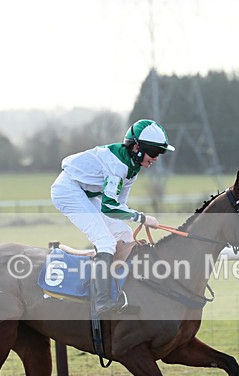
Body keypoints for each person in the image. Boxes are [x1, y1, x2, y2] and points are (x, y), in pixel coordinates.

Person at [51, 119, 175, 316]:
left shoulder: (132, 168)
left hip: (85, 193)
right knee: (106, 242)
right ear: (137, 148)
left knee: (124, 233)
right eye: (154, 152)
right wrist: (142, 218)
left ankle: (123, 290)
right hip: (67, 190)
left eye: (160, 153)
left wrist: (138, 218)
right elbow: (109, 207)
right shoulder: (118, 165)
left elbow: (119, 205)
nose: (156, 158)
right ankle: (102, 301)